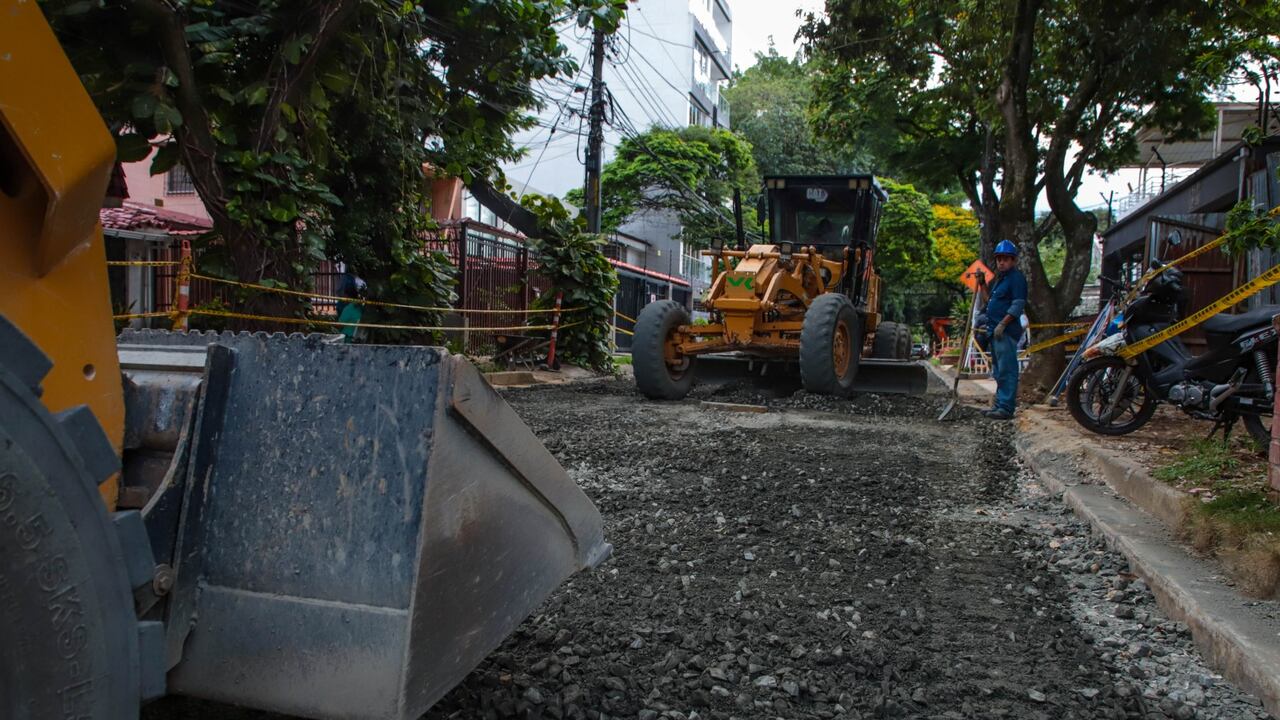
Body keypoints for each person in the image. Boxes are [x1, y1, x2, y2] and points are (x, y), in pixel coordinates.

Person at [979, 240, 1027, 420]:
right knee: (999, 371)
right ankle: (999, 405)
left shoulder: (1016, 279)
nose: (1001, 262)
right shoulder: (1000, 280)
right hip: (994, 332)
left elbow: (1017, 305)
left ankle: (1006, 407)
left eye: (1005, 259)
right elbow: (987, 302)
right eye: (999, 259)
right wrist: (983, 283)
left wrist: (1003, 324)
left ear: (1013, 260)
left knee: (1007, 370)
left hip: (1005, 332)